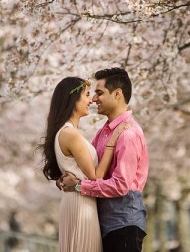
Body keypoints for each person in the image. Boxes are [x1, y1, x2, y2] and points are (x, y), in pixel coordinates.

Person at [59, 68, 149, 252]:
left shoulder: (128, 134)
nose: (93, 99)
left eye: (100, 93)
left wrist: (77, 186)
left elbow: (120, 185)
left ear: (117, 94)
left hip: (124, 225)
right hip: (106, 226)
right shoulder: (103, 133)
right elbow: (88, 169)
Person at [40, 76, 129, 252]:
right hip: (81, 205)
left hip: (78, 201)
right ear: (72, 99)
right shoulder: (71, 135)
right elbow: (95, 176)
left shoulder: (67, 132)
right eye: (87, 95)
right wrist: (112, 142)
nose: (91, 100)